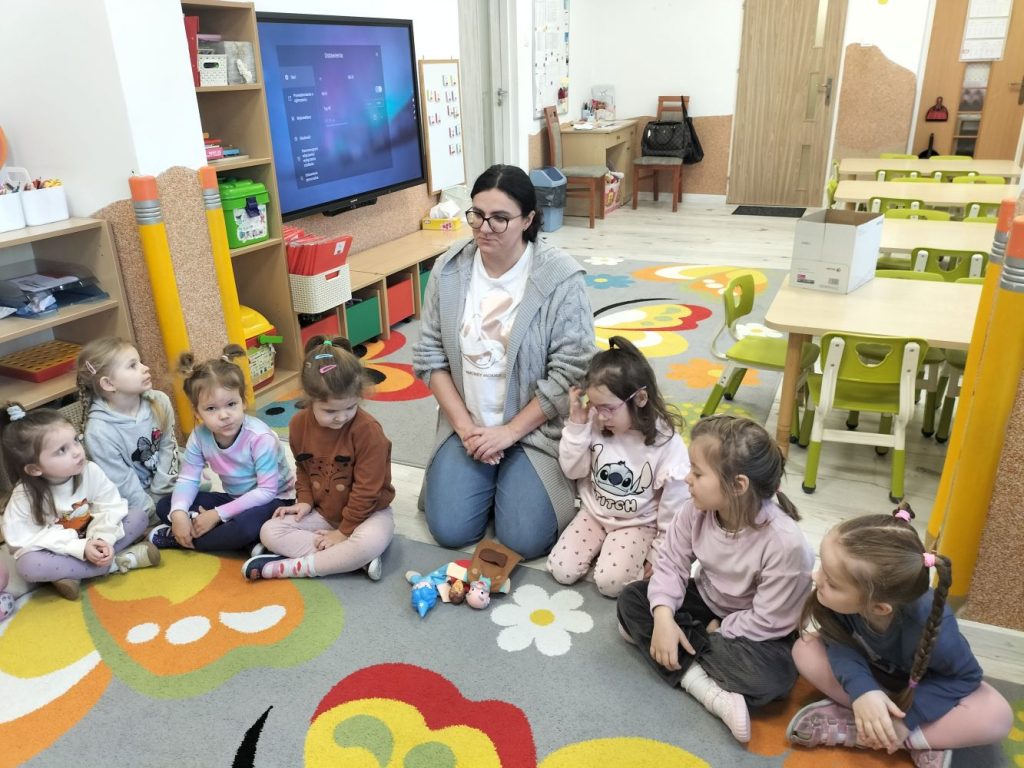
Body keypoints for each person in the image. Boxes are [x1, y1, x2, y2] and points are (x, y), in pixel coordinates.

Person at [411, 163, 596, 560]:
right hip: (469, 426)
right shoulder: (449, 270)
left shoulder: (561, 279)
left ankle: (511, 482)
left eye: (500, 218)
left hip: (533, 430)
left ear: (528, 219)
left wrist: (509, 432)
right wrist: (466, 429)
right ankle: (492, 480)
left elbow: (572, 372)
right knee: (449, 530)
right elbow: (429, 356)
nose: (484, 228)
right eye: (477, 214)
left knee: (525, 540)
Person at [617, 414, 814, 744]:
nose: (687, 478)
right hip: (709, 601)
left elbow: (770, 620)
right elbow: (671, 563)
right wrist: (663, 617)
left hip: (759, 631)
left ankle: (672, 647)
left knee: (773, 679)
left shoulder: (785, 544)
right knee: (631, 600)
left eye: (697, 473)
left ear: (738, 486)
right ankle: (704, 686)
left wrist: (720, 629)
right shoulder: (695, 509)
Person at [787, 505, 1013, 768]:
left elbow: (965, 678)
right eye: (822, 567)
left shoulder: (935, 628)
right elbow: (838, 642)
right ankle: (905, 733)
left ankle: (877, 732)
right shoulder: (839, 602)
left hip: (921, 692)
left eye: (831, 581)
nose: (815, 576)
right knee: (804, 649)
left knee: (997, 716)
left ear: (879, 608)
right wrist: (863, 692)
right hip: (876, 678)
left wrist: (906, 722)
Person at [546, 336, 689, 597]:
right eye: (595, 406)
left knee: (612, 584)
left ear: (641, 398)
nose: (601, 416)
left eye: (609, 408)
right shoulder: (594, 421)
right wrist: (577, 427)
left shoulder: (666, 442)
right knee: (561, 570)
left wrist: (659, 552)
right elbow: (573, 471)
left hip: (637, 522)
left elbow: (676, 507)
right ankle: (609, 550)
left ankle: (617, 552)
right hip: (594, 514)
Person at [243, 336, 395, 582]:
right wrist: (304, 501)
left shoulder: (369, 431)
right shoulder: (298, 425)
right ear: (309, 399)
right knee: (269, 531)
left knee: (369, 542)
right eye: (330, 411)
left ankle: (290, 567)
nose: (341, 417)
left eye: (350, 407)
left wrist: (344, 532)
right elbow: (303, 468)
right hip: (324, 514)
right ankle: (349, 561)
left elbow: (368, 490)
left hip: (369, 515)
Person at [0, 404, 159, 601]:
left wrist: (102, 539)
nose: (77, 452)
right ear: (34, 469)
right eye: (62, 450)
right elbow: (24, 539)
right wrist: (79, 548)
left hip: (93, 534)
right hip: (62, 549)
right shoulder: (24, 496)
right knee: (27, 566)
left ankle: (73, 573)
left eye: (75, 440)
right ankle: (118, 562)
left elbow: (110, 506)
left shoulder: (90, 471)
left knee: (138, 516)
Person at [149, 345, 295, 553]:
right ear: (197, 413)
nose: (224, 415)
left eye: (231, 404)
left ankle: (180, 539)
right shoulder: (199, 437)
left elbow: (266, 491)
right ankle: (240, 542)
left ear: (243, 403)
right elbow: (188, 479)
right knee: (166, 506)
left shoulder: (260, 437)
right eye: (211, 408)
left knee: (244, 527)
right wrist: (179, 513)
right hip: (234, 499)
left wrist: (217, 514)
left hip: (276, 500)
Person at [77, 337, 178, 526]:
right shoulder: (99, 431)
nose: (145, 368)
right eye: (133, 365)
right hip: (137, 500)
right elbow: (122, 483)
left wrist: (165, 492)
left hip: (165, 485)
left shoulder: (160, 401)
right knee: (131, 521)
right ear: (108, 384)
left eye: (140, 362)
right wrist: (153, 512)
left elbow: (168, 447)